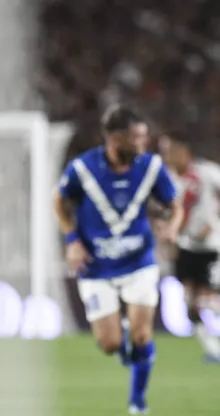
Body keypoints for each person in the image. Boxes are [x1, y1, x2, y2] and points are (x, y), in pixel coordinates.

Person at [54, 105, 183, 414]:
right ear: (115, 139)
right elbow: (58, 200)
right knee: (110, 344)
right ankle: (121, 338)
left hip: (139, 262)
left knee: (142, 334)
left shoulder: (151, 167)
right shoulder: (84, 168)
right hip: (96, 267)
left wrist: (172, 225)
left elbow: (174, 204)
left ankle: (138, 402)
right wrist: (72, 241)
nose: (143, 142)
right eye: (137, 137)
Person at [159, 135, 220, 362]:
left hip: (213, 245)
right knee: (189, 302)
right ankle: (213, 350)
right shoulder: (168, 181)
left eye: (170, 150)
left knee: (209, 298)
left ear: (184, 151)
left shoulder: (207, 173)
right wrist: (168, 239)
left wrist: (214, 221)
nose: (167, 156)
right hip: (186, 246)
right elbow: (164, 214)